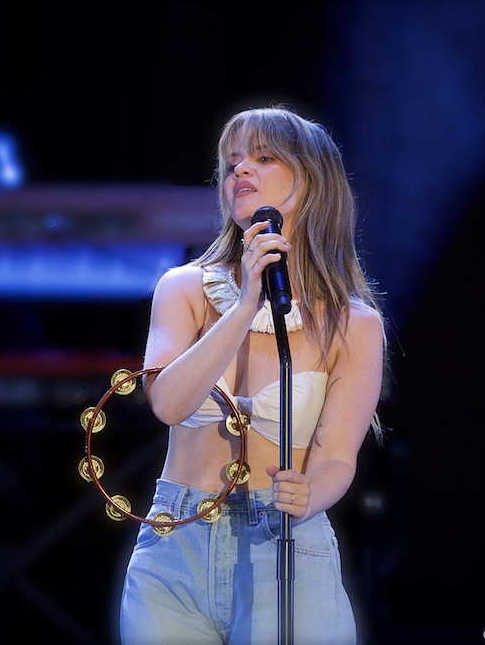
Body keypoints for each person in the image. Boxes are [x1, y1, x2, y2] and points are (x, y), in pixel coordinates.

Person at [118, 105, 387, 644]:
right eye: (233, 162)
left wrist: (309, 494)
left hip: (284, 542)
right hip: (176, 544)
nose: (240, 170)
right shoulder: (184, 289)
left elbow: (337, 458)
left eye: (263, 158)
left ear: (313, 181)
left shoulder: (354, 324)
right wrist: (245, 305)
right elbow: (168, 403)